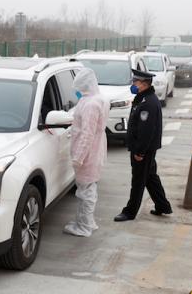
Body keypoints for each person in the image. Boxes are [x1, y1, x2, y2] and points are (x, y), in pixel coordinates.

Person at [114, 69, 172, 222]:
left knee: (138, 180)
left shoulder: (148, 103)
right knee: (150, 177)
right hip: (146, 148)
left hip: (143, 149)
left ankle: (129, 212)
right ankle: (163, 205)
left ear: (144, 84)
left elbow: (146, 130)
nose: (133, 84)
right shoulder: (142, 98)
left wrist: (140, 151)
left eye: (135, 82)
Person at [63, 68, 108, 237]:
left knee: (86, 191)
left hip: (89, 153)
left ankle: (84, 227)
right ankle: (87, 222)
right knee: (88, 188)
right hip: (95, 149)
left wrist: (78, 157)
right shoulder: (97, 99)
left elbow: (87, 133)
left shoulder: (91, 104)